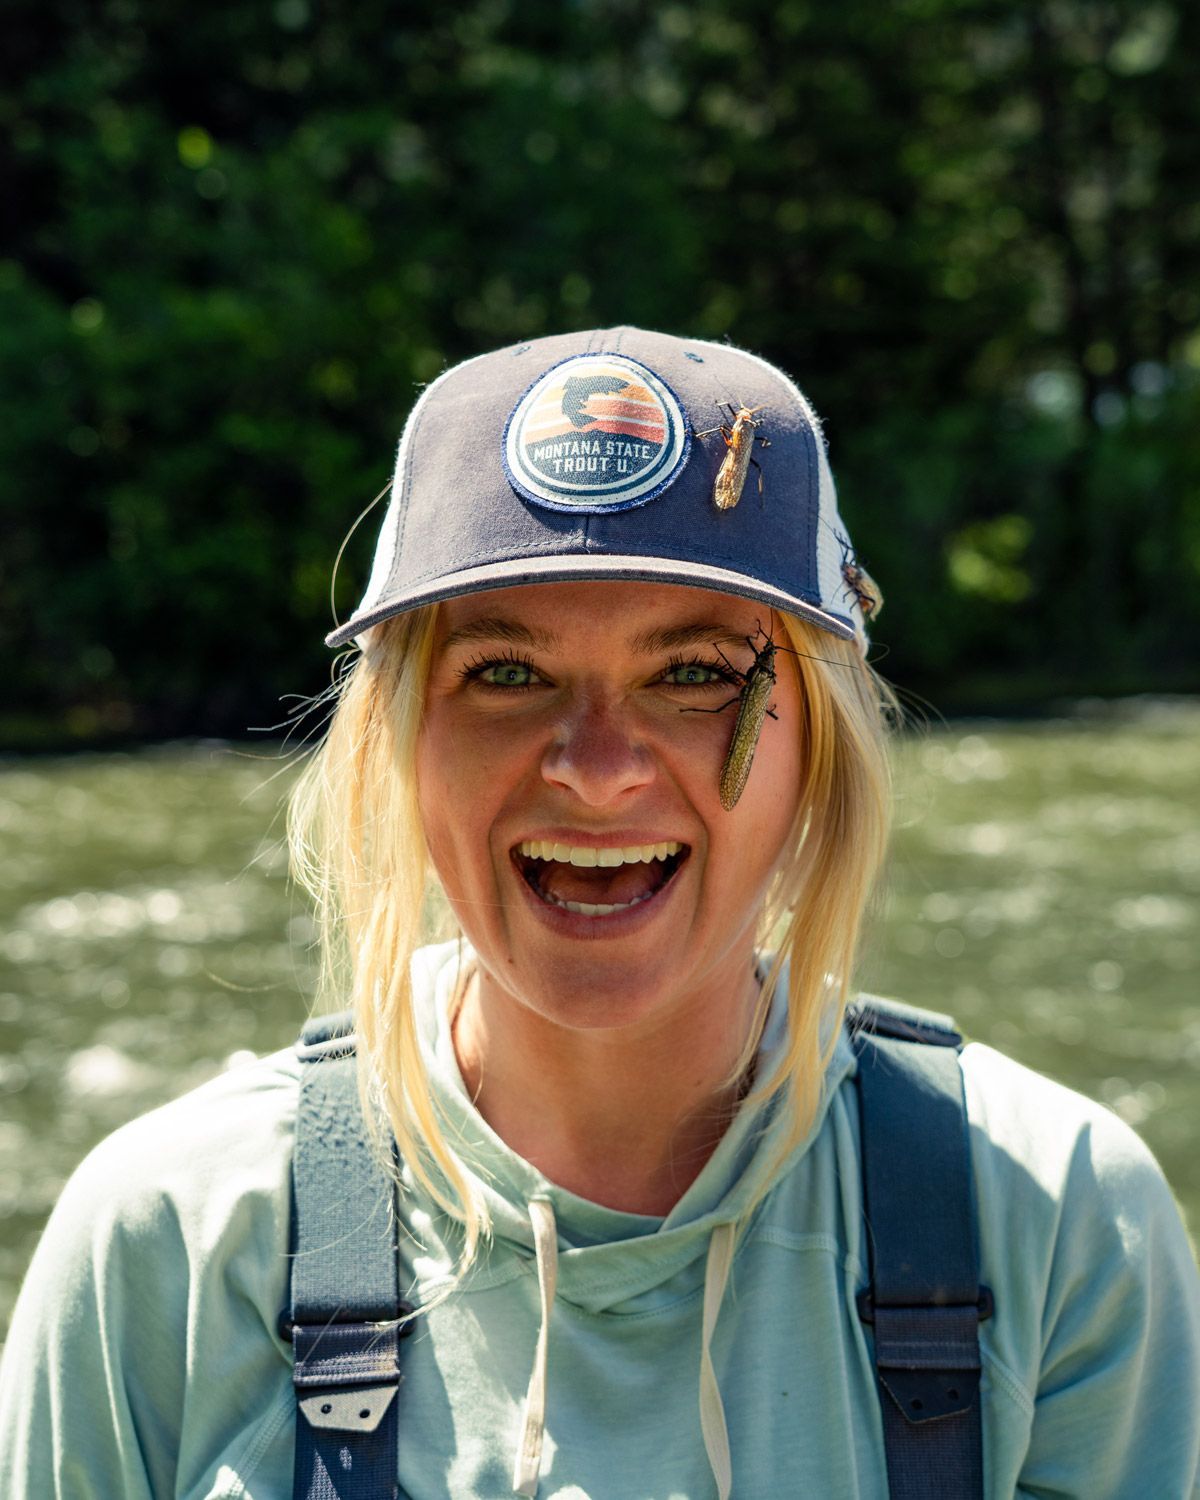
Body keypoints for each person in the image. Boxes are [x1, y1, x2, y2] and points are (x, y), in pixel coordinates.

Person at [1, 327, 1197, 1499]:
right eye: (506, 675)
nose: (598, 766)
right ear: (399, 746)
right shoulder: (161, 1244)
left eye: (695, 676)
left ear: (820, 754)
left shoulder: (1062, 1226)